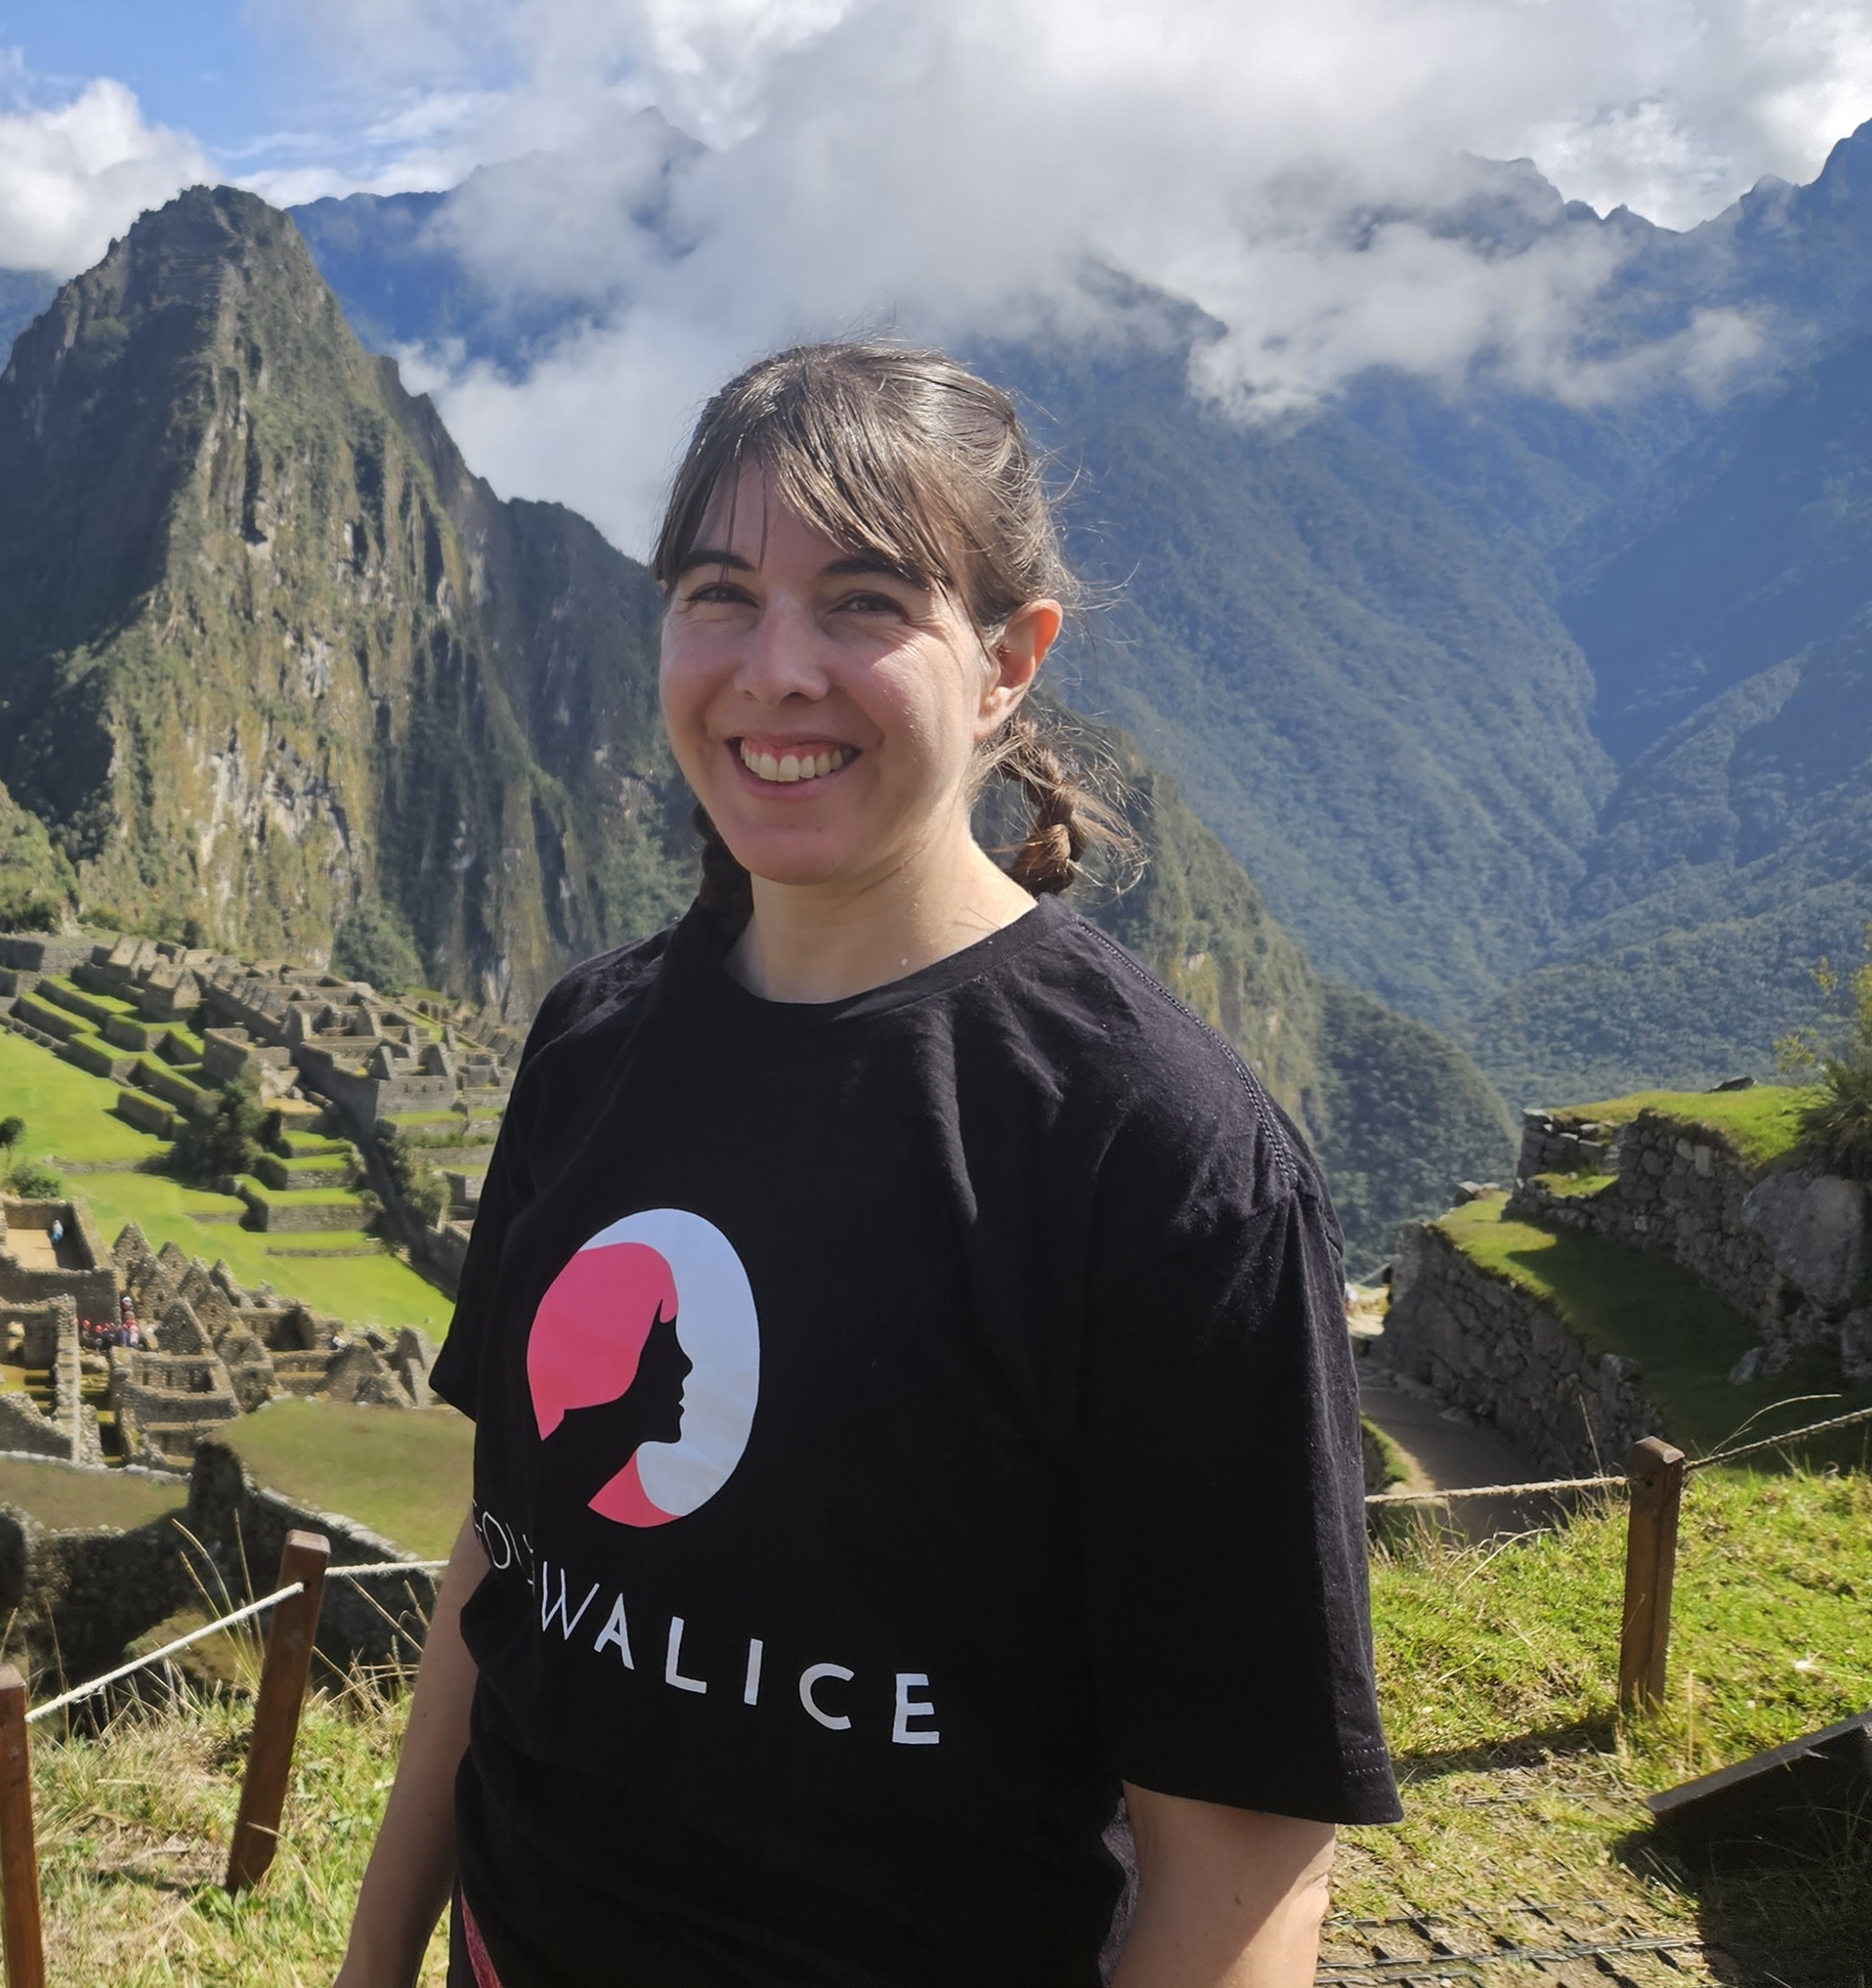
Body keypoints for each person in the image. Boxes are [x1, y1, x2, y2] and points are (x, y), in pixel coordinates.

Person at [333, 343, 1394, 1988]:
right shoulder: (592, 1047)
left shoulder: (1156, 1155)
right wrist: (376, 1958)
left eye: (864, 604)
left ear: (1008, 664)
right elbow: (510, 1563)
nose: (776, 673)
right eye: (719, 595)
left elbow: (1242, 1867)